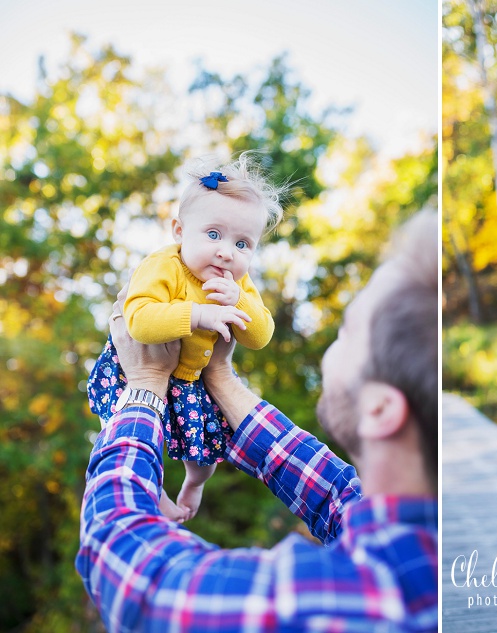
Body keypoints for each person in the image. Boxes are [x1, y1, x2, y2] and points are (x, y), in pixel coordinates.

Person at [77, 209, 438, 632]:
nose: (327, 352)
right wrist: (222, 376)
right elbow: (335, 493)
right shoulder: (423, 551)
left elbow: (126, 560)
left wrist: (145, 381)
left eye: (345, 333)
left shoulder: (318, 603)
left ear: (379, 409)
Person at [87, 157, 281, 522]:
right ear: (179, 231)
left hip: (192, 380)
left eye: (243, 243)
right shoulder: (163, 266)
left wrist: (240, 301)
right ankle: (153, 492)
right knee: (123, 429)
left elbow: (261, 336)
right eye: (213, 235)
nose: (227, 251)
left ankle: (194, 483)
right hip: (134, 370)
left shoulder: (237, 283)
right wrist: (198, 315)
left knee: (207, 448)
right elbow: (139, 321)